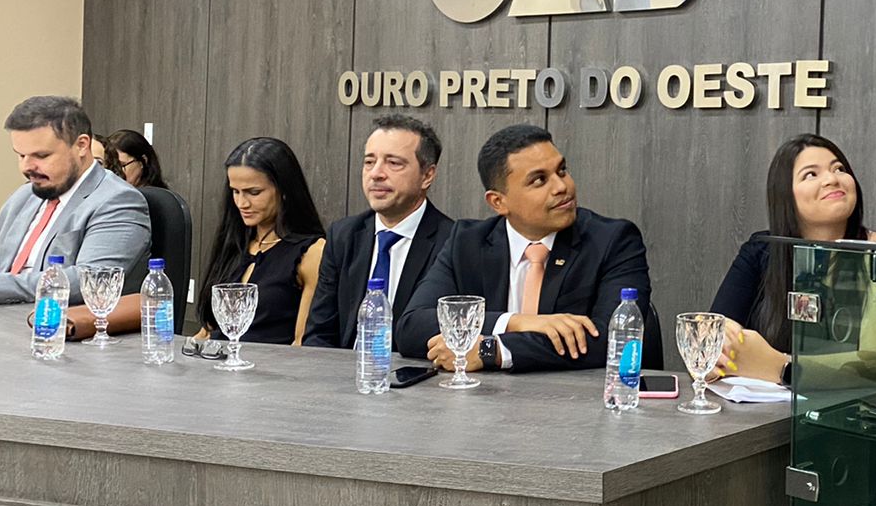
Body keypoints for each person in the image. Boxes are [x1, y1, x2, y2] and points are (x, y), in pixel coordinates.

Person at [396, 124, 657, 373]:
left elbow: (615, 340)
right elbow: (411, 327)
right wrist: (514, 321)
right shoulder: (467, 243)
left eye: (562, 171)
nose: (562, 187)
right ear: (498, 202)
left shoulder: (613, 240)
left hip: (575, 399)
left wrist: (493, 350)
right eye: (539, 180)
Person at [710, 133, 876, 391]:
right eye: (811, 174)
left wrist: (779, 366)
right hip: (768, 411)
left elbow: (875, 368)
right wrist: (721, 349)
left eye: (839, 169)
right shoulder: (762, 250)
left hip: (866, 410)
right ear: (785, 195)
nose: (832, 179)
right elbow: (712, 339)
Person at [0, 96, 149, 304]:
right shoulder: (26, 194)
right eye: (21, 155)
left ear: (81, 145)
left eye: (41, 155)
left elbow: (89, 280)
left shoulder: (118, 201)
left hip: (56, 326)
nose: (27, 167)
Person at [303, 114, 454, 350]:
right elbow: (319, 334)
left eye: (393, 163)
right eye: (369, 162)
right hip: (341, 369)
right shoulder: (343, 235)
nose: (376, 173)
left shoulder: (452, 242)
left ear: (427, 175)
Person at [192, 138, 325, 347]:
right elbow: (206, 332)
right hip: (216, 361)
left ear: (284, 190)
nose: (242, 203)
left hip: (272, 365)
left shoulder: (312, 253)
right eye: (235, 192)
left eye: (254, 193)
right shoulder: (233, 243)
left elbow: (302, 344)